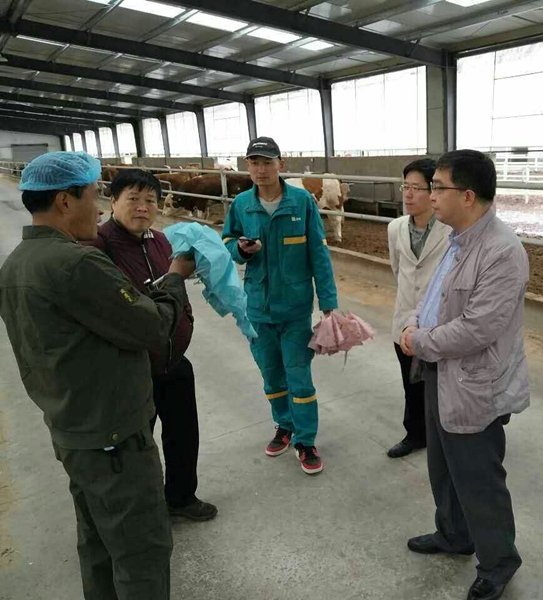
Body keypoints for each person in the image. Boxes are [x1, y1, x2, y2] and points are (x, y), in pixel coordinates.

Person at [0, 151, 195, 599]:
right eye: (93, 195)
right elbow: (150, 326)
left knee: (98, 543)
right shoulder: (77, 263)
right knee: (141, 551)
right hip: (114, 437)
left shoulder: (15, 265)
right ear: (65, 201)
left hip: (73, 430)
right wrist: (174, 279)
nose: (99, 208)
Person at [400, 150, 530, 600]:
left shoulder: (502, 251)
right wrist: (413, 323)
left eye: (438, 187)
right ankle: (454, 534)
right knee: (443, 467)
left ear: (469, 196)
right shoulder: (458, 240)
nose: (430, 196)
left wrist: (419, 341)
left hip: (474, 383)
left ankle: (498, 563)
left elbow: (478, 328)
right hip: (441, 373)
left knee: (479, 479)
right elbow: (433, 296)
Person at [86, 169, 217, 521]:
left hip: (172, 359)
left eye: (150, 200)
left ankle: (181, 497)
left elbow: (176, 284)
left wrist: (185, 318)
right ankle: (143, 513)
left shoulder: (161, 241)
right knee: (136, 446)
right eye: (133, 199)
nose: (143, 207)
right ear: (113, 201)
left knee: (183, 434)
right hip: (129, 367)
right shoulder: (97, 247)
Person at [222, 137, 338, 475]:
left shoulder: (301, 202)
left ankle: (306, 440)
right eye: (254, 162)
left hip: (295, 309)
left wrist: (328, 302)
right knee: (271, 375)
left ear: (280, 165)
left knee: (299, 378)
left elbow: (318, 253)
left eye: (267, 162)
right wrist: (240, 250)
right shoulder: (242, 204)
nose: (260, 169)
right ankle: (284, 425)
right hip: (257, 307)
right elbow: (227, 241)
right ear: (247, 166)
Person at [386, 158, 451, 458]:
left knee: (439, 385)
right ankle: (414, 435)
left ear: (433, 191)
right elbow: (397, 269)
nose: (408, 195)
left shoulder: (450, 231)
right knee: (410, 384)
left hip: (438, 325)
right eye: (405, 187)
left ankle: (443, 437)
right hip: (404, 321)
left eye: (416, 188)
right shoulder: (395, 228)